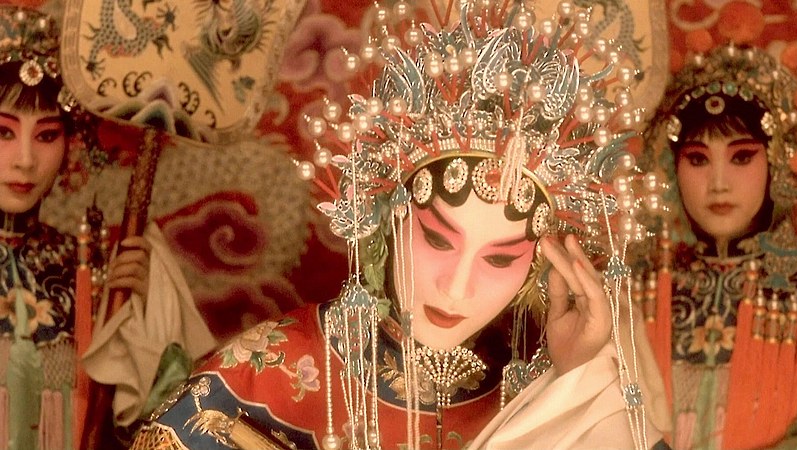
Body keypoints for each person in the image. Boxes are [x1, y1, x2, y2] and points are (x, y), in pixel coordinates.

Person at [130, 2, 662, 449]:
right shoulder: (270, 369)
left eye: (500, 258)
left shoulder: (535, 378)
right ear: (387, 219)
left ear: (539, 266)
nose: (457, 287)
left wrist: (575, 380)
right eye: (437, 239)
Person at [0, 6, 216, 450]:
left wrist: (142, 319)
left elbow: (153, 427)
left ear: (69, 142)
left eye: (46, 135)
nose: (25, 160)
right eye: (3, 133)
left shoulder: (93, 267)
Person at [636, 41, 797, 449]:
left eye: (741, 157)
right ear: (673, 167)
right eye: (697, 159)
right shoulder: (636, 297)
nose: (718, 183)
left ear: (776, 162)